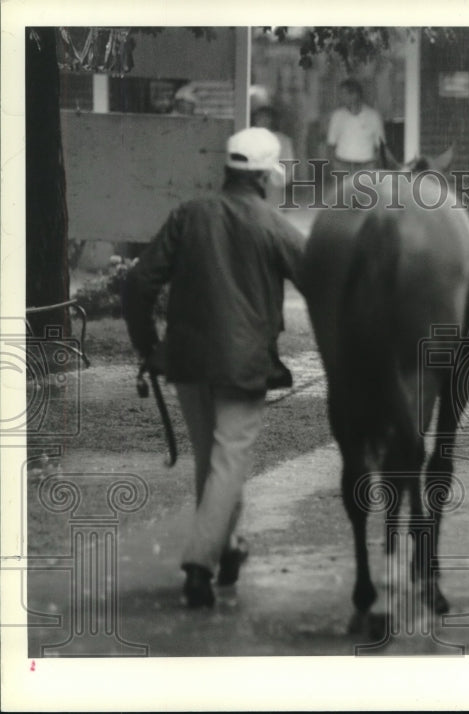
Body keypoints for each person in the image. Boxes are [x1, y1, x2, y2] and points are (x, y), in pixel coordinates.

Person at [123, 128, 306, 607]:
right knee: (228, 464)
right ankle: (199, 564)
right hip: (243, 367)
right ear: (266, 177)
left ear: (227, 171)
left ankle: (226, 547)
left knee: (213, 462)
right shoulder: (273, 225)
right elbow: (321, 281)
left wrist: (149, 346)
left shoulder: (190, 213)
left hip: (186, 360)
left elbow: (139, 282)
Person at [325, 78, 397, 174]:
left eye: (343, 94)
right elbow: (331, 144)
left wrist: (393, 165)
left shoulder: (373, 116)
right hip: (342, 166)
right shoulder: (337, 116)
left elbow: (381, 145)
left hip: (367, 166)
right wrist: (333, 164)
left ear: (354, 95)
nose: (340, 97)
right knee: (344, 190)